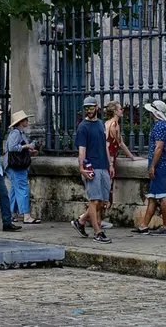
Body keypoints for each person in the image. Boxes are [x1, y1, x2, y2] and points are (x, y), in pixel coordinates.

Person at [72, 96, 112, 244]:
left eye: (91, 107)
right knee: (94, 200)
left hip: (103, 166)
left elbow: (105, 146)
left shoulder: (101, 124)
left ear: (97, 107)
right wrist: (82, 168)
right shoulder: (83, 127)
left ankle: (81, 221)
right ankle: (97, 232)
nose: (88, 110)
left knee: (103, 201)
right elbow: (82, 150)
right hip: (92, 167)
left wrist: (110, 164)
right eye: (86, 108)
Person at [133, 99, 166, 235]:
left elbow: (158, 148)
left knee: (162, 196)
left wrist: (152, 166)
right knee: (152, 196)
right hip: (164, 164)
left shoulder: (159, 126)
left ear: (154, 113)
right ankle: (144, 225)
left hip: (159, 165)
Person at [101, 101, 135, 229]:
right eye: (120, 109)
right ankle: (98, 219)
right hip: (110, 158)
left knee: (104, 188)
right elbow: (120, 143)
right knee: (108, 189)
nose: (122, 110)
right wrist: (131, 157)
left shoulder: (106, 123)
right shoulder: (114, 125)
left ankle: (97, 218)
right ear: (115, 111)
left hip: (105, 158)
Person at [4, 110, 39, 225]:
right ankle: (26, 215)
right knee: (22, 188)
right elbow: (12, 147)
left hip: (14, 164)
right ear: (21, 122)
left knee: (15, 190)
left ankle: (10, 214)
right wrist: (26, 146)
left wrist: (28, 150)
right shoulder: (16, 133)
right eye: (25, 119)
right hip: (16, 165)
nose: (27, 121)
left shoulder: (19, 133)